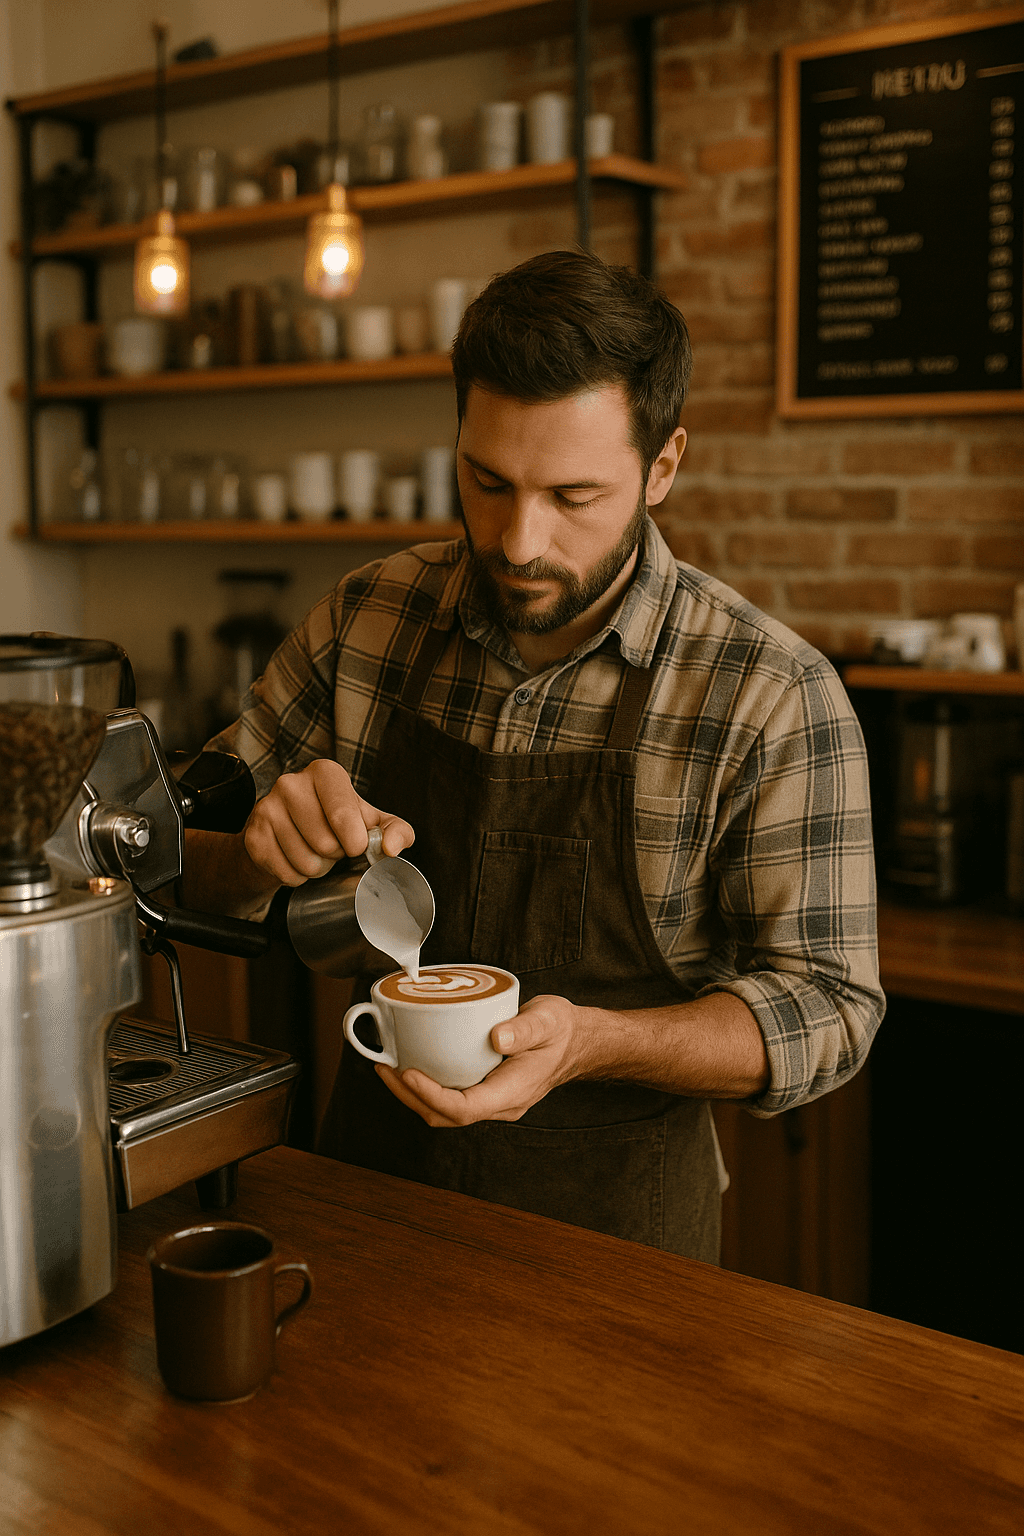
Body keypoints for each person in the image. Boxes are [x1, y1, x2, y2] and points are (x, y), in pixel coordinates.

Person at [185, 250, 884, 1262]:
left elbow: (831, 1007)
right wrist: (257, 852)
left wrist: (600, 1041)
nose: (517, 539)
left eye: (572, 494)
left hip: (618, 1241)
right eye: (486, 482)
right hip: (368, 1202)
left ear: (663, 465)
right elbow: (179, 869)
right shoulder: (368, 619)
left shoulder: (764, 694)